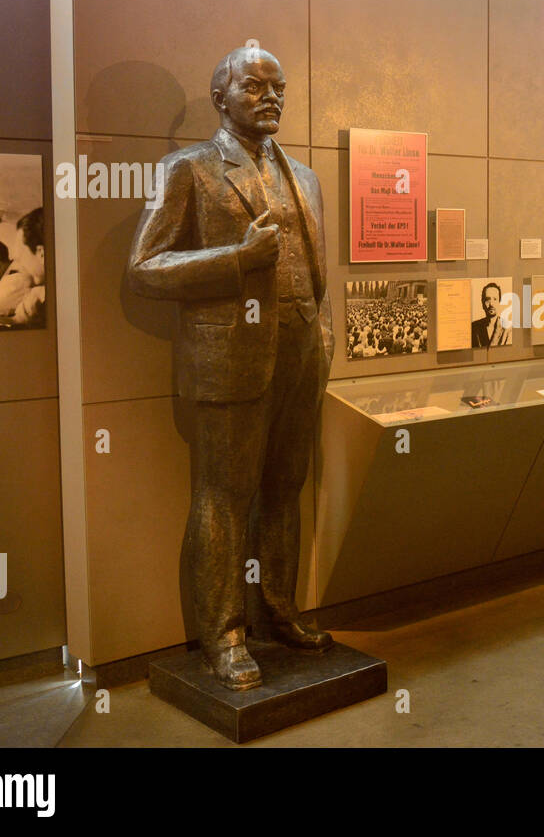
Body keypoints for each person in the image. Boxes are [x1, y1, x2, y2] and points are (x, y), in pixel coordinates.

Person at [127, 47, 336, 691]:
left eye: (278, 86)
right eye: (254, 85)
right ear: (221, 97)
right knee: (222, 496)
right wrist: (235, 260)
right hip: (229, 359)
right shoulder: (186, 170)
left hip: (300, 354)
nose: (270, 96)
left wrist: (322, 335)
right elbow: (144, 268)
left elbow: (315, 274)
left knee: (284, 489)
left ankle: (279, 613)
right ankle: (222, 636)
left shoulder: (306, 178)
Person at [471, 281, 511, 347]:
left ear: (499, 302)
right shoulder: (474, 327)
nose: (491, 304)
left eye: (495, 299)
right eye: (487, 299)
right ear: (483, 303)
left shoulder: (508, 328)